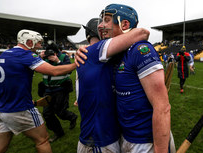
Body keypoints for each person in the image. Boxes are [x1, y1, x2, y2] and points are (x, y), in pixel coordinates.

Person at [98, 4, 175, 153]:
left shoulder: (140, 50)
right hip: (126, 137)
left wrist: (160, 150)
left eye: (107, 20)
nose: (101, 25)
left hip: (146, 142)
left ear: (125, 24)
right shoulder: (116, 54)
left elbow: (163, 107)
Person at [75, 16, 150, 152]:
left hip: (102, 135)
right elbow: (142, 33)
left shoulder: (96, 57)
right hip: (100, 139)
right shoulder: (96, 51)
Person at [0, 29, 78, 153]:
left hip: (2, 107)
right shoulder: (25, 55)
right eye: (38, 43)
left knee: (1, 145)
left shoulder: (5, 54)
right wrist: (77, 63)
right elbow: (54, 71)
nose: (40, 46)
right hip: (19, 108)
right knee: (42, 140)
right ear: (29, 42)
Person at [39, 40, 78, 143]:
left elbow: (69, 70)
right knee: (47, 114)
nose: (50, 55)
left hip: (60, 89)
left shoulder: (63, 57)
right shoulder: (43, 60)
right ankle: (58, 132)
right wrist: (39, 58)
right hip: (48, 90)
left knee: (60, 112)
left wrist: (58, 62)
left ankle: (72, 117)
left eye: (52, 53)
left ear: (56, 52)